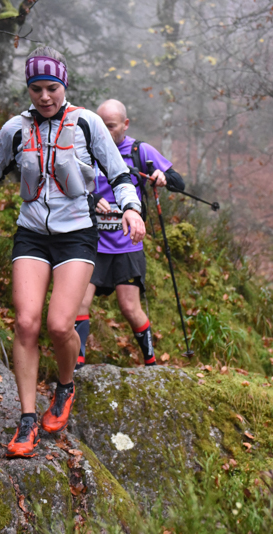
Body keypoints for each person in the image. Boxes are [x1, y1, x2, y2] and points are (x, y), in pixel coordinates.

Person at [0, 48, 145, 458]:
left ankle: (65, 386)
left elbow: (119, 173)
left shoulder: (88, 123)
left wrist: (131, 208)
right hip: (32, 234)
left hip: (77, 235)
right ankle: (26, 420)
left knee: (58, 326)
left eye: (51, 88)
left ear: (64, 86)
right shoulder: (14, 130)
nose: (44, 97)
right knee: (25, 322)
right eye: (36, 89)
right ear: (29, 89)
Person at [74, 99, 184, 370]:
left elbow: (179, 182)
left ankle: (151, 364)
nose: (105, 132)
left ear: (125, 125)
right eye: (101, 126)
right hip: (93, 244)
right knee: (79, 303)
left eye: (111, 126)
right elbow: (68, 187)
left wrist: (162, 176)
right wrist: (90, 198)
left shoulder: (139, 151)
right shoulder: (85, 151)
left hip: (126, 245)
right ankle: (76, 365)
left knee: (129, 308)